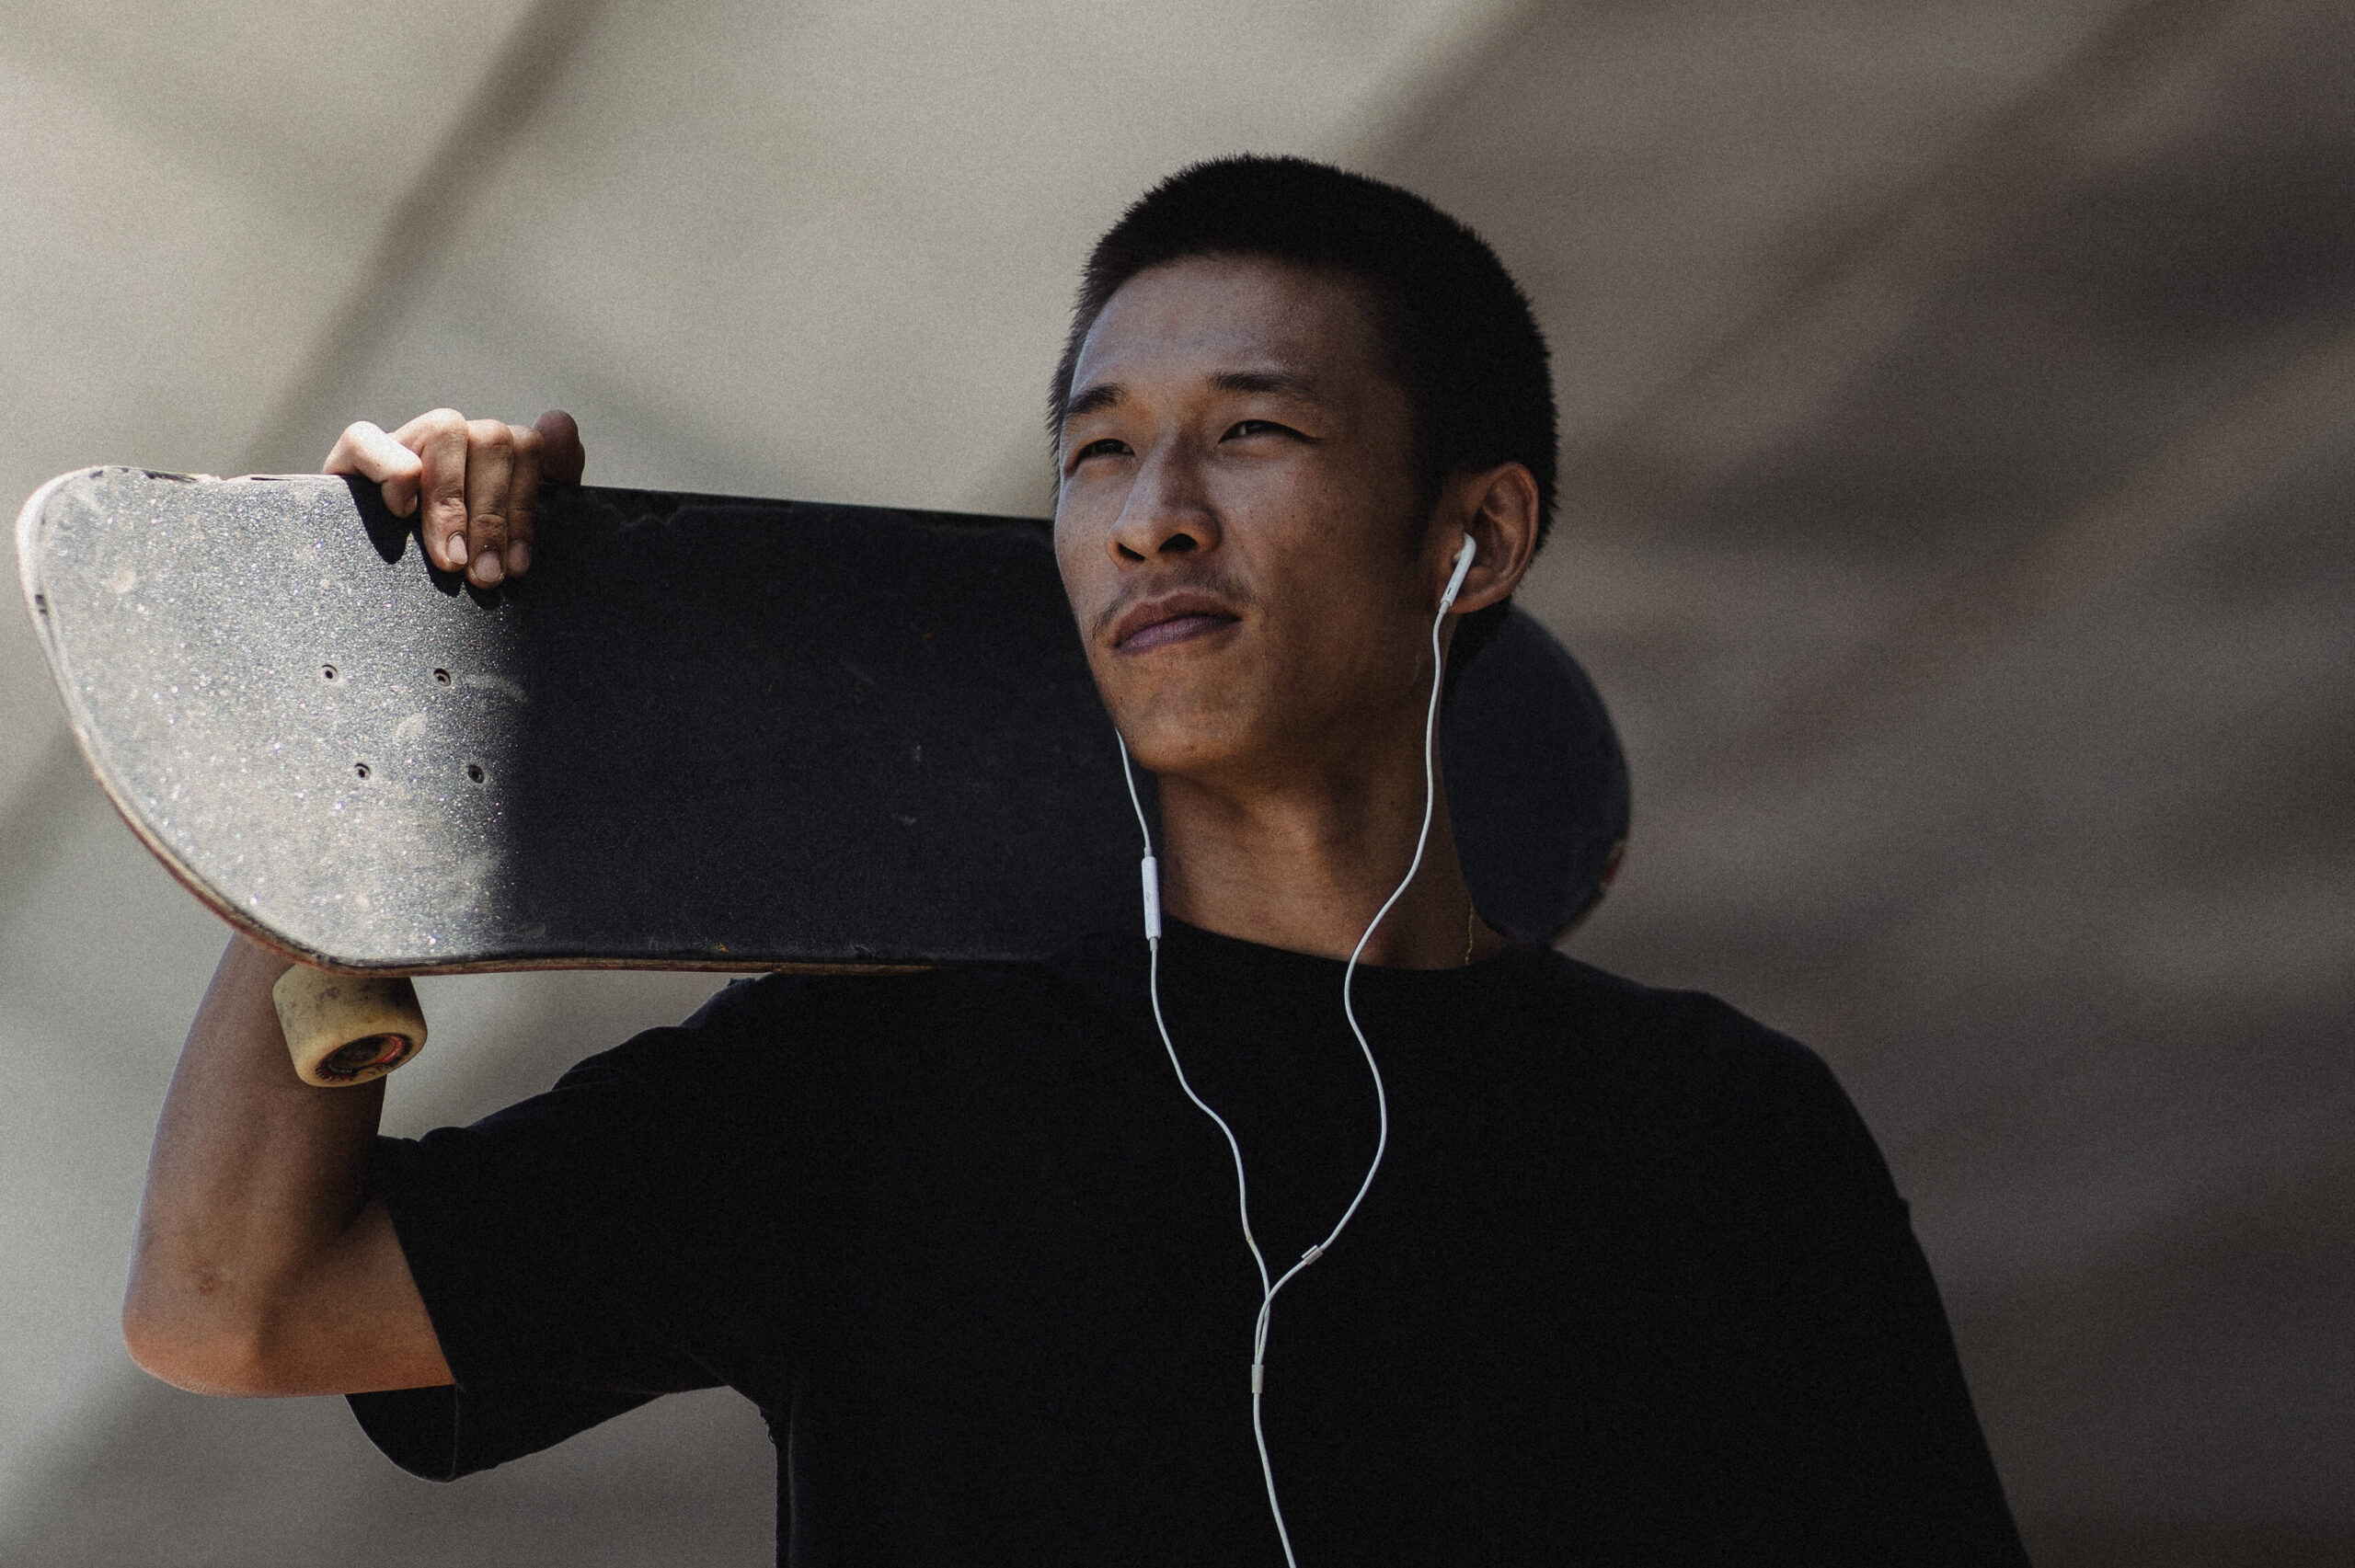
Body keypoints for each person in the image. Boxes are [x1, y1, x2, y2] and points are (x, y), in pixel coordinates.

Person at [122, 156, 2028, 1564]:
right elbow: (231, 1303)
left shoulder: (1717, 1134)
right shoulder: (873, 1078)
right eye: (1098, 453)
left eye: (1251, 432)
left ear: (1478, 537)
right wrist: (357, 742)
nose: (1150, 519)